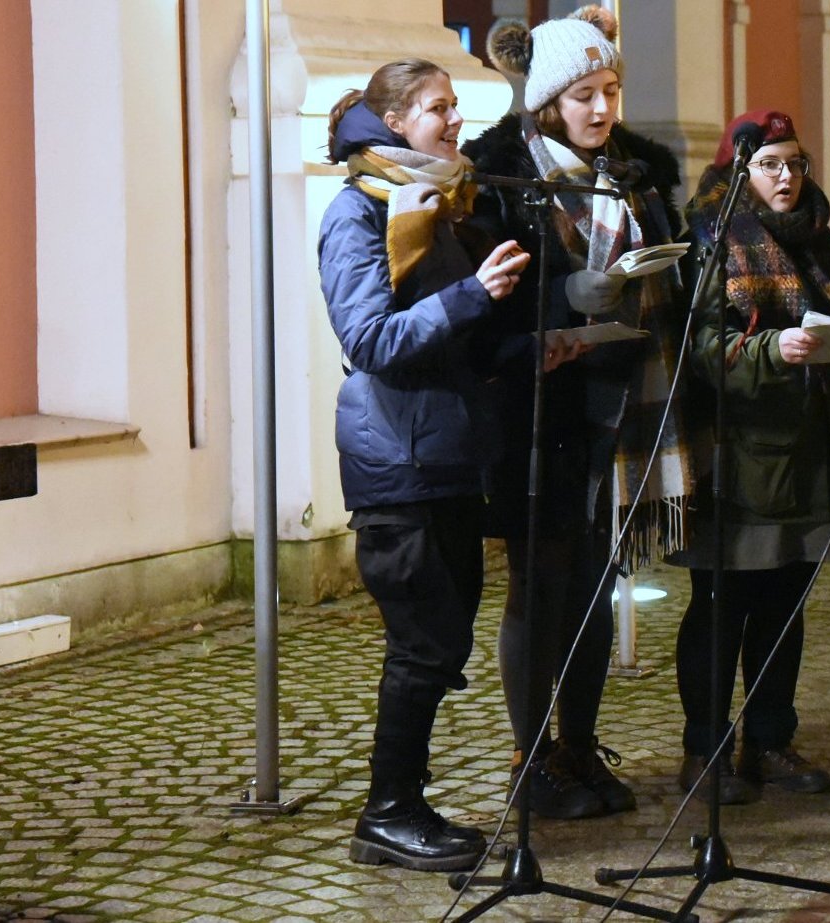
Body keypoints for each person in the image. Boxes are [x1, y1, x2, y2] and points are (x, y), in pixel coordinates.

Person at [463, 6, 692, 819]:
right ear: (548, 102)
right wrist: (563, 293)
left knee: (602, 583)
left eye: (610, 92)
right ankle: (532, 759)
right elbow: (481, 304)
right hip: (541, 408)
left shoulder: (637, 172)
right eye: (584, 95)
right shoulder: (500, 175)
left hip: (624, 402)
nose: (601, 110)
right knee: (541, 584)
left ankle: (579, 744)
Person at [317, 61, 531, 872]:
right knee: (421, 645)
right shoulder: (356, 211)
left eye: (456, 109)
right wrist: (473, 293)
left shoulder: (430, 201)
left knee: (441, 644)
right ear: (397, 119)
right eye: (440, 109)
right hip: (396, 462)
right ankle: (388, 813)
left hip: (446, 457)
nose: (455, 123)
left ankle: (405, 803)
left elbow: (445, 338)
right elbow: (370, 339)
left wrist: (523, 345)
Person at [668, 111, 830, 804]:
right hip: (739, 452)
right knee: (722, 605)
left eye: (795, 163)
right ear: (739, 172)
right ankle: (705, 747)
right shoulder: (713, 236)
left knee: (785, 603)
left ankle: (770, 739)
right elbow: (699, 346)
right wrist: (769, 350)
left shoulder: (817, 236)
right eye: (771, 165)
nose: (788, 177)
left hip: (811, 448)